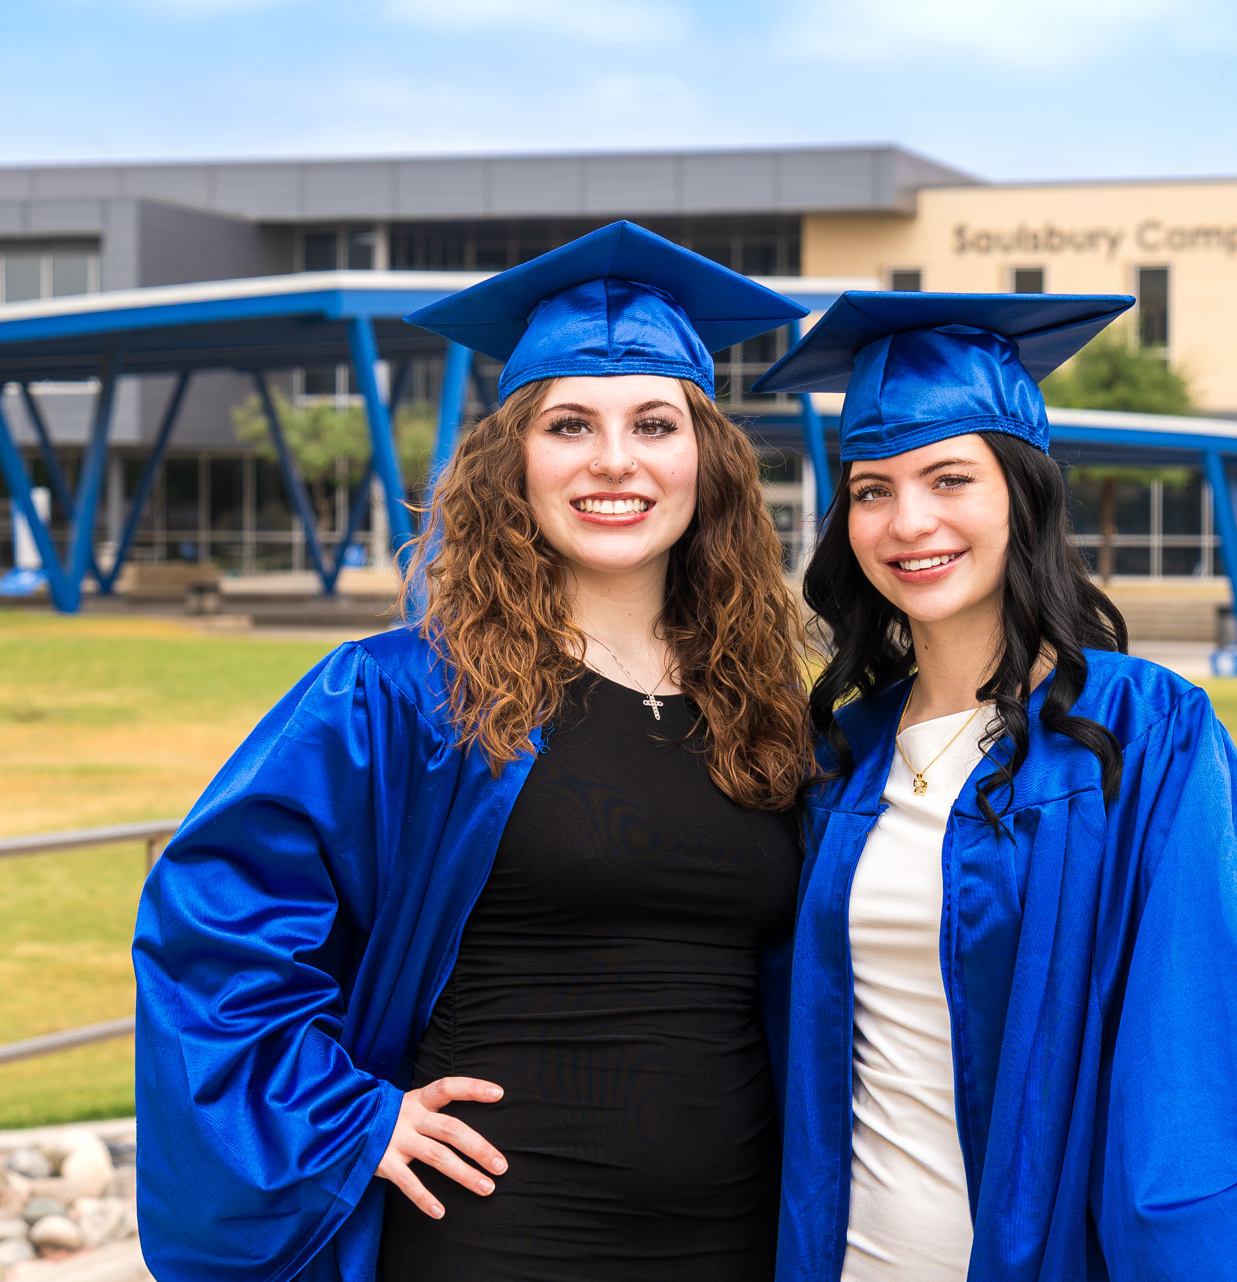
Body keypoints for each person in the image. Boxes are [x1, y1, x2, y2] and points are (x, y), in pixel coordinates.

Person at [132, 221, 816, 1282]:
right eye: (569, 424)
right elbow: (212, 931)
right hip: (500, 1231)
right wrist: (353, 1120)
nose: (615, 460)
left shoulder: (763, 704)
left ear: (706, 457)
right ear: (515, 461)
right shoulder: (405, 693)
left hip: (734, 1233)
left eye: (655, 422)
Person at [753, 292, 1237, 1282]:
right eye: (873, 489)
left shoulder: (1140, 732)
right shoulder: (840, 755)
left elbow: (1211, 1025)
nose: (910, 521)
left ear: (1022, 495)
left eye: (950, 478)